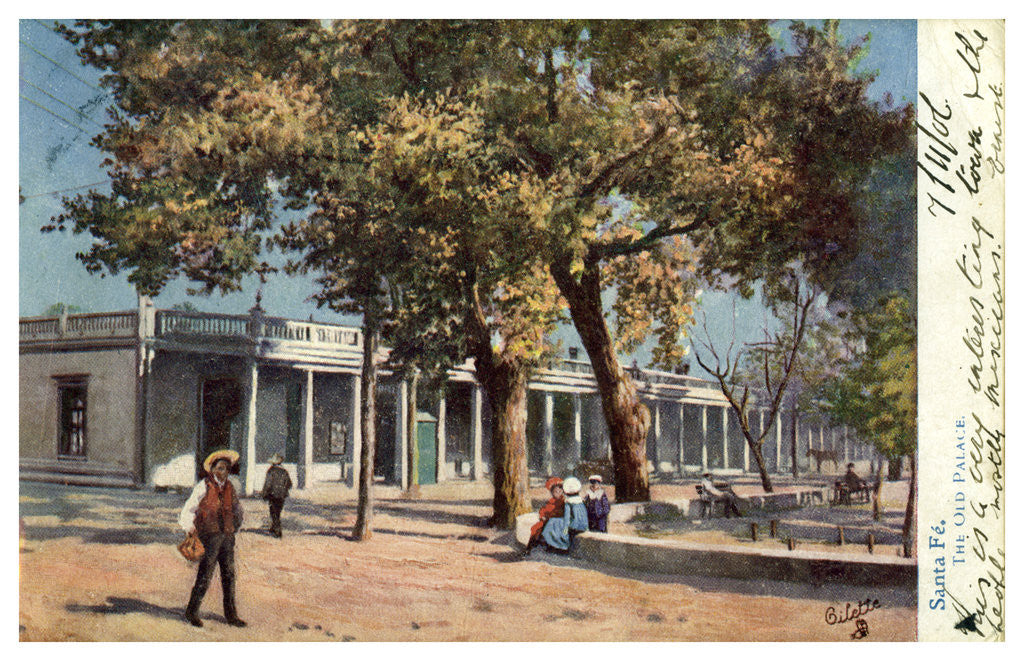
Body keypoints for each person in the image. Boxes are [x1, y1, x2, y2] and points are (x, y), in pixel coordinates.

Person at [179, 449, 246, 628]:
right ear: (213, 470)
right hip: (209, 537)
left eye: (226, 469)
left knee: (229, 575)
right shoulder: (204, 486)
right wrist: (190, 527)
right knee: (205, 575)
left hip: (227, 538)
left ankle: (231, 615)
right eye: (220, 468)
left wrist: (234, 527)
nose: (223, 472)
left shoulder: (230, 487)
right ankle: (192, 611)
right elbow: (189, 508)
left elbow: (237, 510)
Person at [541, 477, 589, 552]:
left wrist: (565, 530)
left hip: (574, 525)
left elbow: (567, 518)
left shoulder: (568, 502)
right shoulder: (580, 501)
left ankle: (559, 545)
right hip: (583, 525)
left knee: (553, 522)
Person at [525, 477, 564, 555]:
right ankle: (529, 548)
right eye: (555, 491)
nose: (558, 493)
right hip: (546, 520)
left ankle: (545, 547)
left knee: (542, 529)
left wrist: (550, 517)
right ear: (552, 492)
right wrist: (542, 515)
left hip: (555, 522)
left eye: (560, 491)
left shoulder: (562, 501)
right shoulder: (551, 501)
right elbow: (543, 510)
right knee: (535, 528)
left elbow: (560, 513)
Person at [261, 453, 292, 538]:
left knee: (273, 511)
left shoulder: (271, 471)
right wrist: (284, 489)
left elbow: (268, 483)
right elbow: (289, 484)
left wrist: (264, 493)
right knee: (278, 511)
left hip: (272, 495)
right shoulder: (284, 471)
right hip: (281, 495)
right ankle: (274, 527)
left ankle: (277, 530)